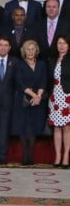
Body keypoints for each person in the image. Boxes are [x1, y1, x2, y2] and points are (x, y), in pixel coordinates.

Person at [12, 40, 47, 165]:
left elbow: (44, 81)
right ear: (24, 51)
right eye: (28, 49)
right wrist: (33, 95)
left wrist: (38, 96)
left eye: (33, 49)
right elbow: (20, 83)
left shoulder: (42, 64)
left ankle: (30, 156)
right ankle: (24, 157)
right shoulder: (19, 65)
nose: (31, 51)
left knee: (33, 128)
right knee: (23, 128)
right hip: (23, 100)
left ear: (36, 51)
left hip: (37, 101)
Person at [48, 35, 70, 169]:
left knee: (67, 127)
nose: (61, 46)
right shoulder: (52, 59)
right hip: (55, 97)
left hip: (67, 96)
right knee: (56, 127)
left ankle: (66, 155)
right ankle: (57, 156)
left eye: (64, 43)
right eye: (59, 43)